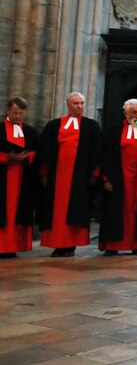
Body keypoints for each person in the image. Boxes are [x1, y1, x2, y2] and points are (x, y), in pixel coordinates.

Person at [39, 92, 101, 257]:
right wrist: (45, 173)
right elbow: (45, 150)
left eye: (81, 103)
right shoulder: (54, 125)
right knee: (57, 212)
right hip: (57, 177)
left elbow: (97, 152)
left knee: (76, 211)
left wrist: (94, 174)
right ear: (68, 105)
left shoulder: (91, 126)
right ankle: (58, 244)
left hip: (79, 177)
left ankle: (71, 244)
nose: (79, 106)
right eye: (76, 103)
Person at [99, 99, 137, 256]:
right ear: (126, 113)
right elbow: (106, 156)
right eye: (134, 112)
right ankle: (112, 245)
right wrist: (106, 179)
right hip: (118, 179)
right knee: (116, 210)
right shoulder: (114, 130)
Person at [0, 97, 39, 258]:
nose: (17, 117)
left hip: (23, 177)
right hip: (3, 175)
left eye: (21, 113)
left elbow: (37, 150)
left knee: (18, 211)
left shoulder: (30, 131)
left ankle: (12, 246)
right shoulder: (0, 129)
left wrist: (27, 156)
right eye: (15, 113)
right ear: (8, 111)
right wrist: (7, 157)